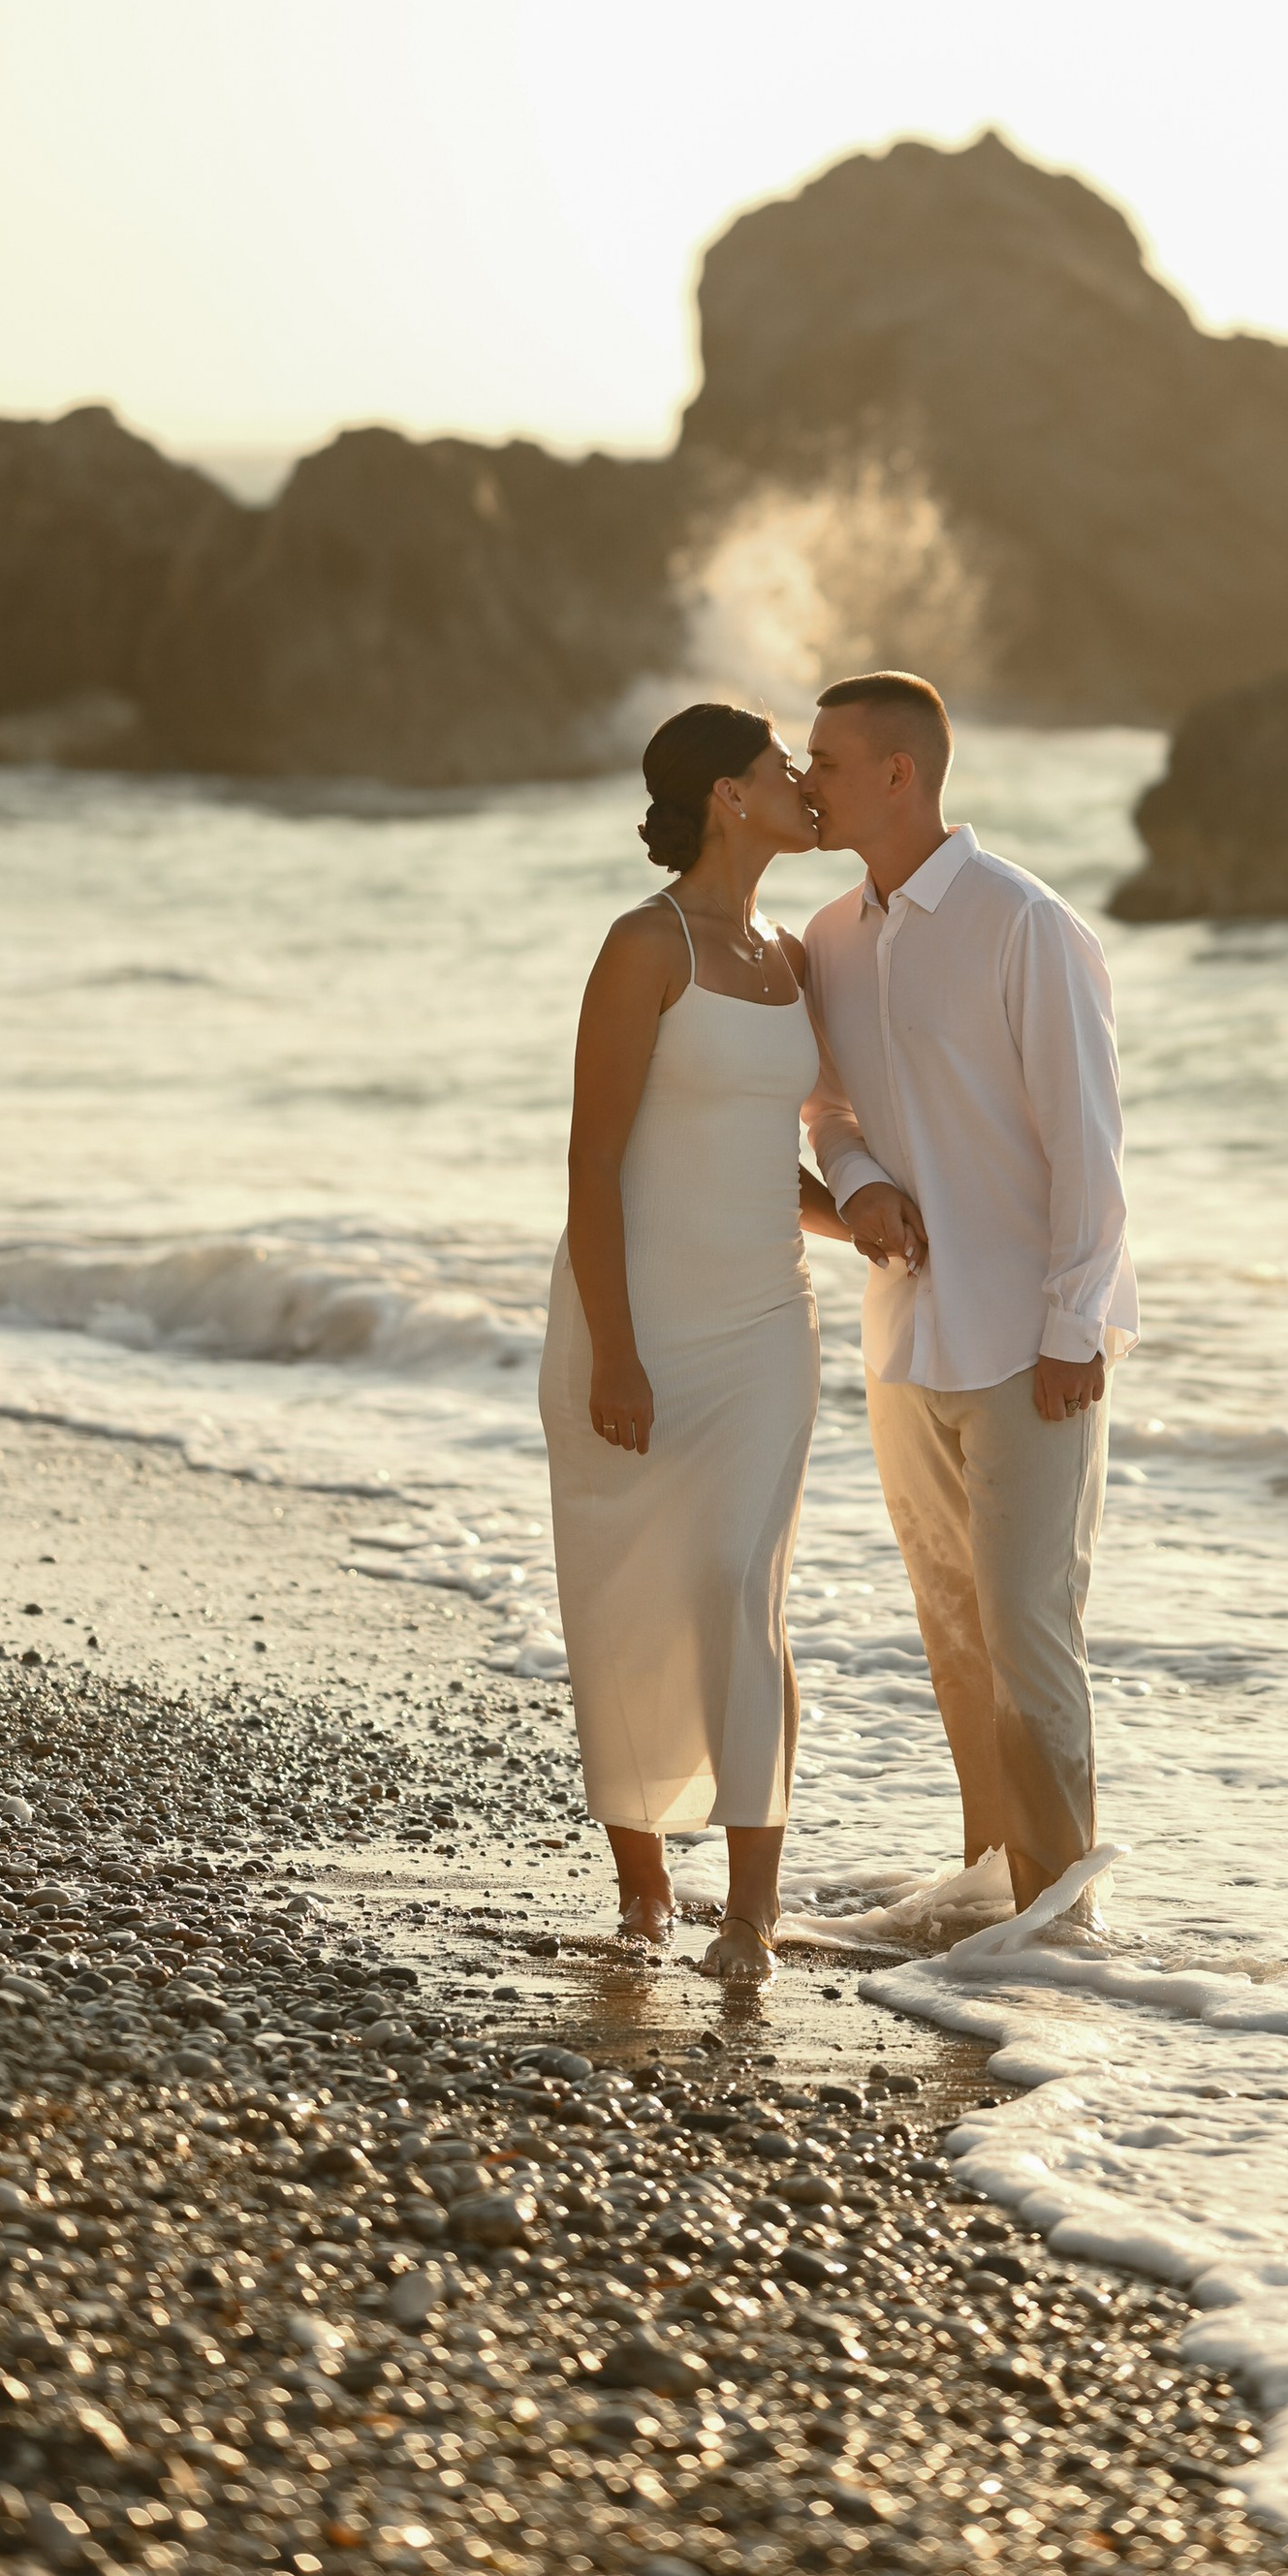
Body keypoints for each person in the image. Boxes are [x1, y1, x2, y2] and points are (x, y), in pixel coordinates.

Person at [801, 670, 1136, 1916]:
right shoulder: (829, 936)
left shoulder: (1022, 922)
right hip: (905, 1333)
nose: (805, 780)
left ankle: (1062, 1925)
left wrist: (1072, 1324)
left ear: (900, 772)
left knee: (1031, 1644)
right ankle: (1000, 1900)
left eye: (825, 761)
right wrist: (860, 1177)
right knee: (953, 1640)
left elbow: (1088, 1142)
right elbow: (825, 1105)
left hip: (1027, 1342)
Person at [538, 700, 851, 1981]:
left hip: (767, 1325)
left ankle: (753, 1912)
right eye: (786, 768)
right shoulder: (644, 944)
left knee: (736, 1581)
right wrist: (615, 1352)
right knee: (625, 1600)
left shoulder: (792, 951)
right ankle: (642, 1888)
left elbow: (763, 1158)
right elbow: (597, 1162)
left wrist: (873, 1218)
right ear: (729, 796)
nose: (806, 783)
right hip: (636, 1317)